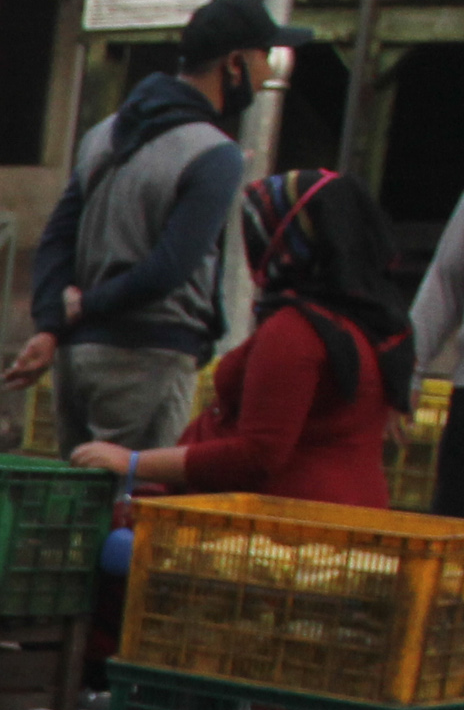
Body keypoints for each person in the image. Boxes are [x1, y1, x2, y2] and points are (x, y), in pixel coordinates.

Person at [9, 0, 284, 458]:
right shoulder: (213, 154)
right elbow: (169, 268)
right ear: (235, 63)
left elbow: (57, 238)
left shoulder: (104, 134)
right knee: (133, 507)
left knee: (78, 504)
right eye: (264, 58)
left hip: (79, 356)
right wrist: (83, 308)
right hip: (149, 355)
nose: (268, 73)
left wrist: (52, 325)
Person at [77, 169, 410, 509]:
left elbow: (258, 454)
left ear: (291, 242)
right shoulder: (375, 323)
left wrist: (132, 462)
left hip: (287, 526)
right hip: (340, 513)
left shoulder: (296, 331)